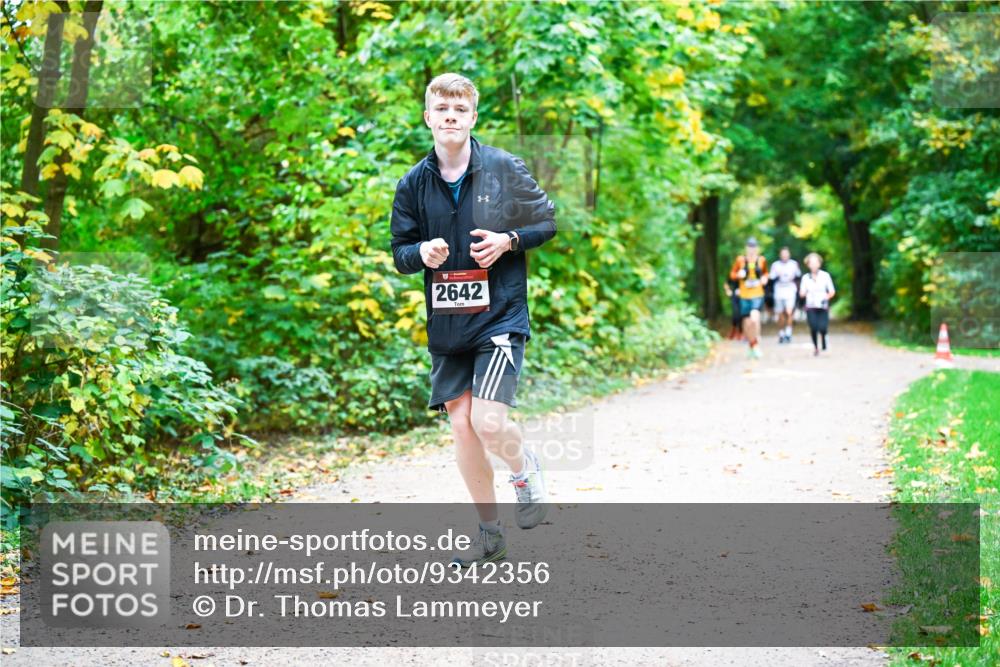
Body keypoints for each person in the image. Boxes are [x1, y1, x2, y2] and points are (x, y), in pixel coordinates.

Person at [390, 73, 557, 566]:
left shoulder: (504, 168)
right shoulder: (413, 184)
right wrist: (422, 251)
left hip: (500, 314)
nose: (450, 117)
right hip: (448, 323)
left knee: (487, 421)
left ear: (473, 117)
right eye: (441, 109)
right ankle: (489, 534)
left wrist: (509, 241)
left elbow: (546, 221)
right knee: (462, 428)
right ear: (428, 117)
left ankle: (524, 471)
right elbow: (399, 252)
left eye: (459, 110)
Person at [728, 237, 768, 358]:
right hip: (744, 295)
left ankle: (756, 342)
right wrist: (738, 275)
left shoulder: (761, 260)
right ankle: (752, 345)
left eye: (754, 247)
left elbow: (766, 273)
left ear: (757, 248)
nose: (751, 249)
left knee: (755, 318)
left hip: (757, 293)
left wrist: (765, 278)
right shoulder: (740, 260)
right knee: (746, 322)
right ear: (746, 248)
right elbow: (732, 275)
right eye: (749, 247)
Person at [799, 252, 836, 356]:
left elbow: (832, 291)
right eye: (811, 263)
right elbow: (802, 292)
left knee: (823, 327)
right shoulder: (805, 278)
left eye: (816, 262)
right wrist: (803, 294)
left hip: (822, 305)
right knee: (813, 327)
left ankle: (824, 339)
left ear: (819, 264)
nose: (814, 265)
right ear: (808, 264)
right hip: (810, 306)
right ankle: (815, 347)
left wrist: (826, 297)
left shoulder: (825, 276)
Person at [770, 246, 801, 344]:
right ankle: (781, 333)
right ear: (780, 255)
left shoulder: (794, 264)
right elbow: (771, 278)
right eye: (783, 254)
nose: (784, 256)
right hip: (779, 291)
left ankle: (788, 333)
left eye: (786, 254)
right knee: (780, 314)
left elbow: (798, 276)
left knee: (789, 312)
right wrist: (777, 275)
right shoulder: (775, 265)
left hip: (790, 290)